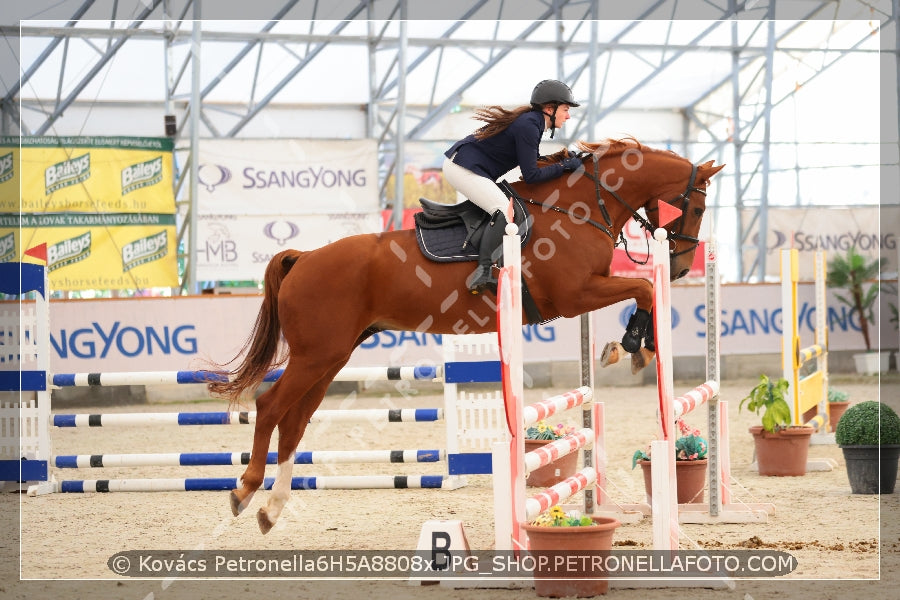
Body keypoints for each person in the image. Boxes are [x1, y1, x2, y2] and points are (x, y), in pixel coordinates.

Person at [442, 79, 582, 295]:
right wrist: (563, 167)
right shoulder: (529, 125)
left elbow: (532, 162)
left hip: (467, 165)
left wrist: (559, 161)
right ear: (549, 109)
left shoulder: (533, 122)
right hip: (463, 167)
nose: (568, 115)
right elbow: (532, 175)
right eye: (565, 109)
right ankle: (483, 271)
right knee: (502, 210)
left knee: (502, 208)